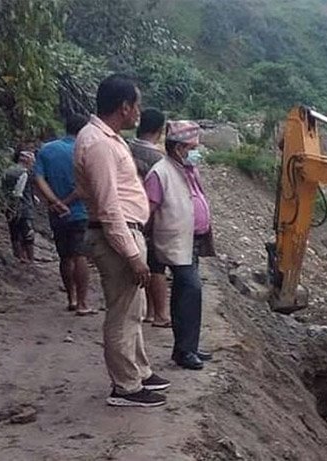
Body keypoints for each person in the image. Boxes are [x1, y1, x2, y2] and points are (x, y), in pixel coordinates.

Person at [74, 74, 169, 407]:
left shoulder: (106, 138)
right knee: (122, 313)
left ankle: (139, 372)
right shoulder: (98, 143)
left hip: (125, 230)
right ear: (124, 106)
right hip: (117, 235)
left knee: (134, 309)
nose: (139, 111)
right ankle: (126, 387)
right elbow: (107, 205)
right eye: (136, 104)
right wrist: (132, 254)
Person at [144, 120, 215, 370]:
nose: (197, 151)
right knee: (191, 290)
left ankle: (187, 347)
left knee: (186, 293)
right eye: (192, 147)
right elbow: (148, 211)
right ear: (178, 148)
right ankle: (185, 351)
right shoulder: (160, 173)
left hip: (190, 241)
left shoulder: (188, 168)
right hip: (174, 241)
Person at [35, 113, 93, 315]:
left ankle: (71, 298)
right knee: (80, 255)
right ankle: (84, 303)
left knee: (65, 257)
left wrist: (55, 202)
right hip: (81, 212)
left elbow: (39, 179)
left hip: (56, 214)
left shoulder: (46, 150)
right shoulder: (86, 151)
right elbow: (85, 187)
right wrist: (67, 202)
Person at [129, 108, 171, 328]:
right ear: (160, 130)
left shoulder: (125, 149)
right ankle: (160, 314)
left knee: (138, 263)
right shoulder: (159, 160)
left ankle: (148, 311)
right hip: (150, 218)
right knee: (156, 268)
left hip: (127, 217)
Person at [0, 149, 36, 262]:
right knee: (27, 233)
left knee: (14, 232)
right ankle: (30, 259)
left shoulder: (7, 171)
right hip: (23, 208)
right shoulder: (24, 173)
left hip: (8, 206)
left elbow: (1, 187)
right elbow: (18, 191)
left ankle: (18, 256)